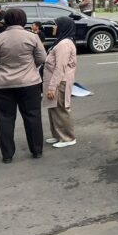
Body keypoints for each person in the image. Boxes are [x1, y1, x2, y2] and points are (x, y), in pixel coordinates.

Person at [0, 8, 47, 163]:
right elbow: (42, 58)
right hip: (29, 83)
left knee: (4, 119)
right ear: (23, 20)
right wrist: (30, 67)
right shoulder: (32, 37)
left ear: (6, 21)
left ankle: (7, 155)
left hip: (2, 85)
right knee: (33, 115)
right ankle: (36, 150)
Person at [43, 17, 78, 148]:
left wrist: (52, 87)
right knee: (54, 108)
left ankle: (68, 137)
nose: (53, 27)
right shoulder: (61, 41)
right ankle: (58, 135)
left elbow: (60, 67)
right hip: (56, 81)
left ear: (63, 27)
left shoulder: (64, 44)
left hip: (60, 82)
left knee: (61, 109)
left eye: (56, 25)